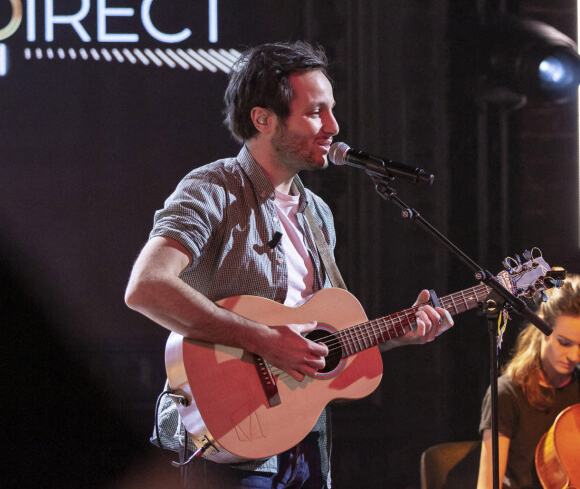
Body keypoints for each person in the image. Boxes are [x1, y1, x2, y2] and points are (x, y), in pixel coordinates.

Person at [124, 40, 453, 488]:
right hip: (229, 441)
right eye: (316, 112)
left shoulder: (316, 212)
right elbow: (146, 287)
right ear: (263, 119)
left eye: (332, 110)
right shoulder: (211, 189)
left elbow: (319, 343)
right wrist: (263, 338)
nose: (333, 127)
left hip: (305, 444)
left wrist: (398, 334)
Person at [477, 273, 580, 489]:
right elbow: (486, 485)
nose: (574, 356)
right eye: (564, 343)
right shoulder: (507, 393)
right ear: (542, 328)